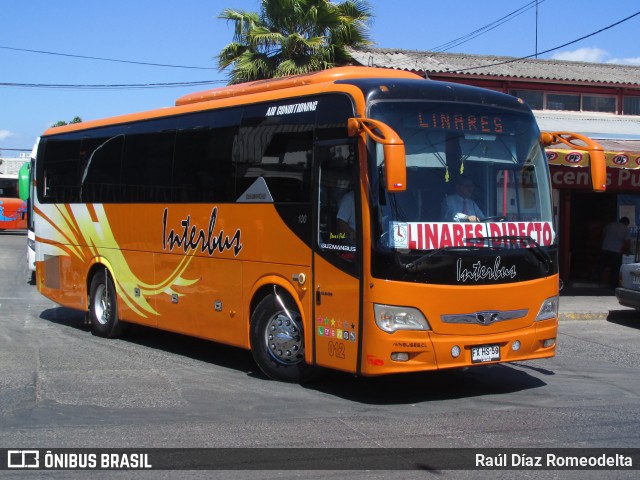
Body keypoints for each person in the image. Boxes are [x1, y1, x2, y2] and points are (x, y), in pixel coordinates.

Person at [597, 216, 631, 288]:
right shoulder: (625, 229)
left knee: (601, 266)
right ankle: (612, 284)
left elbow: (603, 235)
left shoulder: (609, 225)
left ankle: (598, 281)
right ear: (626, 223)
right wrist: (628, 251)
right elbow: (627, 242)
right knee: (615, 269)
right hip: (616, 251)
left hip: (605, 249)